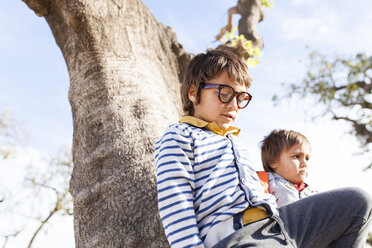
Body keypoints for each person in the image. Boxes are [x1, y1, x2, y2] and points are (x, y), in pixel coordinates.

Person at [154, 48, 372, 248]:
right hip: (236, 238)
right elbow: (176, 205)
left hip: (279, 225)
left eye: (241, 98)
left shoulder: (235, 143)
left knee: (359, 202)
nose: (234, 105)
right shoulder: (179, 136)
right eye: (225, 93)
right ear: (194, 93)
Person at [257, 129, 317, 207]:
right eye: (296, 156)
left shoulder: (312, 193)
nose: (304, 164)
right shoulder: (264, 182)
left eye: (307, 158)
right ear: (273, 161)